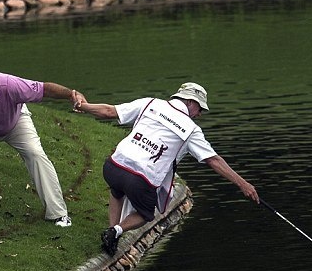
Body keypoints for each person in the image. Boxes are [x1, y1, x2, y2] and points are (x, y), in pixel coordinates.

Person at [75, 82, 259, 254]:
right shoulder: (191, 129)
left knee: (117, 190)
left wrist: (83, 105)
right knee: (146, 214)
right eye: (200, 108)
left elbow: (109, 111)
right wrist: (243, 184)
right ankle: (116, 230)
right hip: (139, 179)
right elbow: (213, 160)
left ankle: (111, 235)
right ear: (190, 102)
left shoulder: (150, 103)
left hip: (112, 167)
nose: (200, 114)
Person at [0, 72, 84, 227]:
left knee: (36, 154)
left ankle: (58, 214)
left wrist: (71, 94)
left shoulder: (6, 84)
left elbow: (44, 89)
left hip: (15, 121)